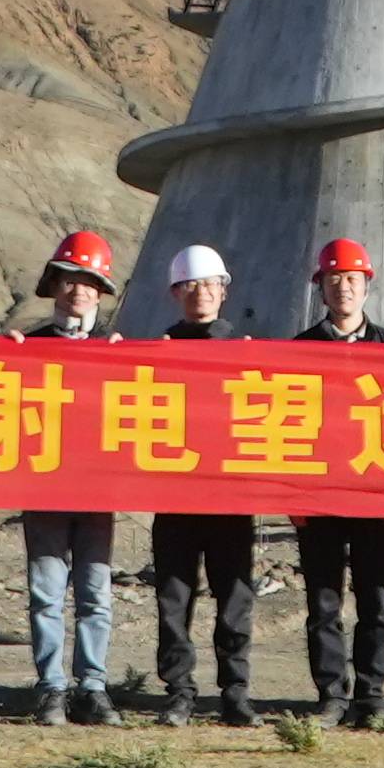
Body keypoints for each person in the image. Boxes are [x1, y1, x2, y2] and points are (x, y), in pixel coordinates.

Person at [282, 239, 384, 727]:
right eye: (335, 280)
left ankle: (373, 694)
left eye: (353, 279)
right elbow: (288, 426)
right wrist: (293, 496)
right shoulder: (300, 351)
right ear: (322, 289)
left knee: (376, 599)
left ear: (367, 286)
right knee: (324, 601)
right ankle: (331, 694)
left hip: (376, 496)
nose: (344, 288)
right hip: (319, 498)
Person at [145, 242, 258, 726]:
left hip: (230, 496)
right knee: (174, 597)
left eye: (211, 284)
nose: (202, 293)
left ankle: (234, 690)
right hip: (175, 496)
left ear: (224, 292)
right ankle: (180, 689)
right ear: (176, 292)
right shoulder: (156, 354)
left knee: (234, 595)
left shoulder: (248, 354)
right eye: (192, 284)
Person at [17, 231, 125, 724]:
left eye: (89, 282)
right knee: (46, 590)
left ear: (100, 294)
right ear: (54, 286)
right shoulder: (28, 348)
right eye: (70, 281)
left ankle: (93, 685)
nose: (78, 291)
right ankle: (51, 685)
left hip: (97, 489)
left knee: (94, 591)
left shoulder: (118, 353)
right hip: (43, 490)